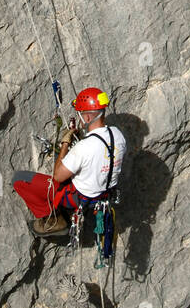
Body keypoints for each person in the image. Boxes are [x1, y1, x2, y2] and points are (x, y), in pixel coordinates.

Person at [12, 87, 126, 238]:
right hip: (104, 194)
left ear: (87, 118)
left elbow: (58, 176)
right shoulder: (118, 135)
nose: (79, 117)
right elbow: (98, 153)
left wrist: (65, 143)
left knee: (19, 179)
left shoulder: (83, 148)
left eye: (80, 114)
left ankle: (54, 220)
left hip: (78, 198)